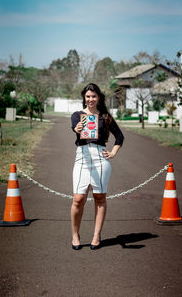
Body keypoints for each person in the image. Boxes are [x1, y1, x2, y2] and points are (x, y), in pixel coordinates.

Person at [71, 83, 124, 250]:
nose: (91, 99)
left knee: (99, 198)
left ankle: (96, 235)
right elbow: (74, 127)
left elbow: (120, 137)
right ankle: (75, 235)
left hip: (101, 159)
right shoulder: (77, 115)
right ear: (84, 98)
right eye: (88, 96)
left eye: (94, 96)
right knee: (78, 199)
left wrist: (113, 153)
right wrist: (77, 128)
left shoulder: (105, 116)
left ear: (99, 97)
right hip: (82, 158)